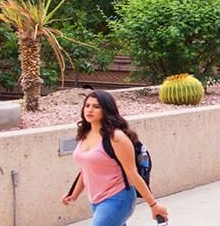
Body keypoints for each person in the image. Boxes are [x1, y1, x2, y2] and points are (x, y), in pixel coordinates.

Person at [63, 90, 169, 225]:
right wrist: (74, 195)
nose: (89, 110)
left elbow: (132, 174)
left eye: (96, 106)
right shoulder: (85, 134)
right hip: (96, 201)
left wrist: (154, 205)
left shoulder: (116, 137)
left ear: (106, 110)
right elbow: (85, 169)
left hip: (118, 199)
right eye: (87, 105)